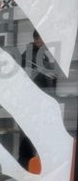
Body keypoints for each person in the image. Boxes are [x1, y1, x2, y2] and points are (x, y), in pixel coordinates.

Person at [18, 30, 58, 167]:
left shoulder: (42, 54)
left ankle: (29, 163)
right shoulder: (28, 55)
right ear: (36, 39)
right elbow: (26, 77)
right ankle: (24, 164)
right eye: (41, 38)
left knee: (35, 135)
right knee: (30, 135)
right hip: (31, 101)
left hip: (40, 100)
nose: (43, 41)